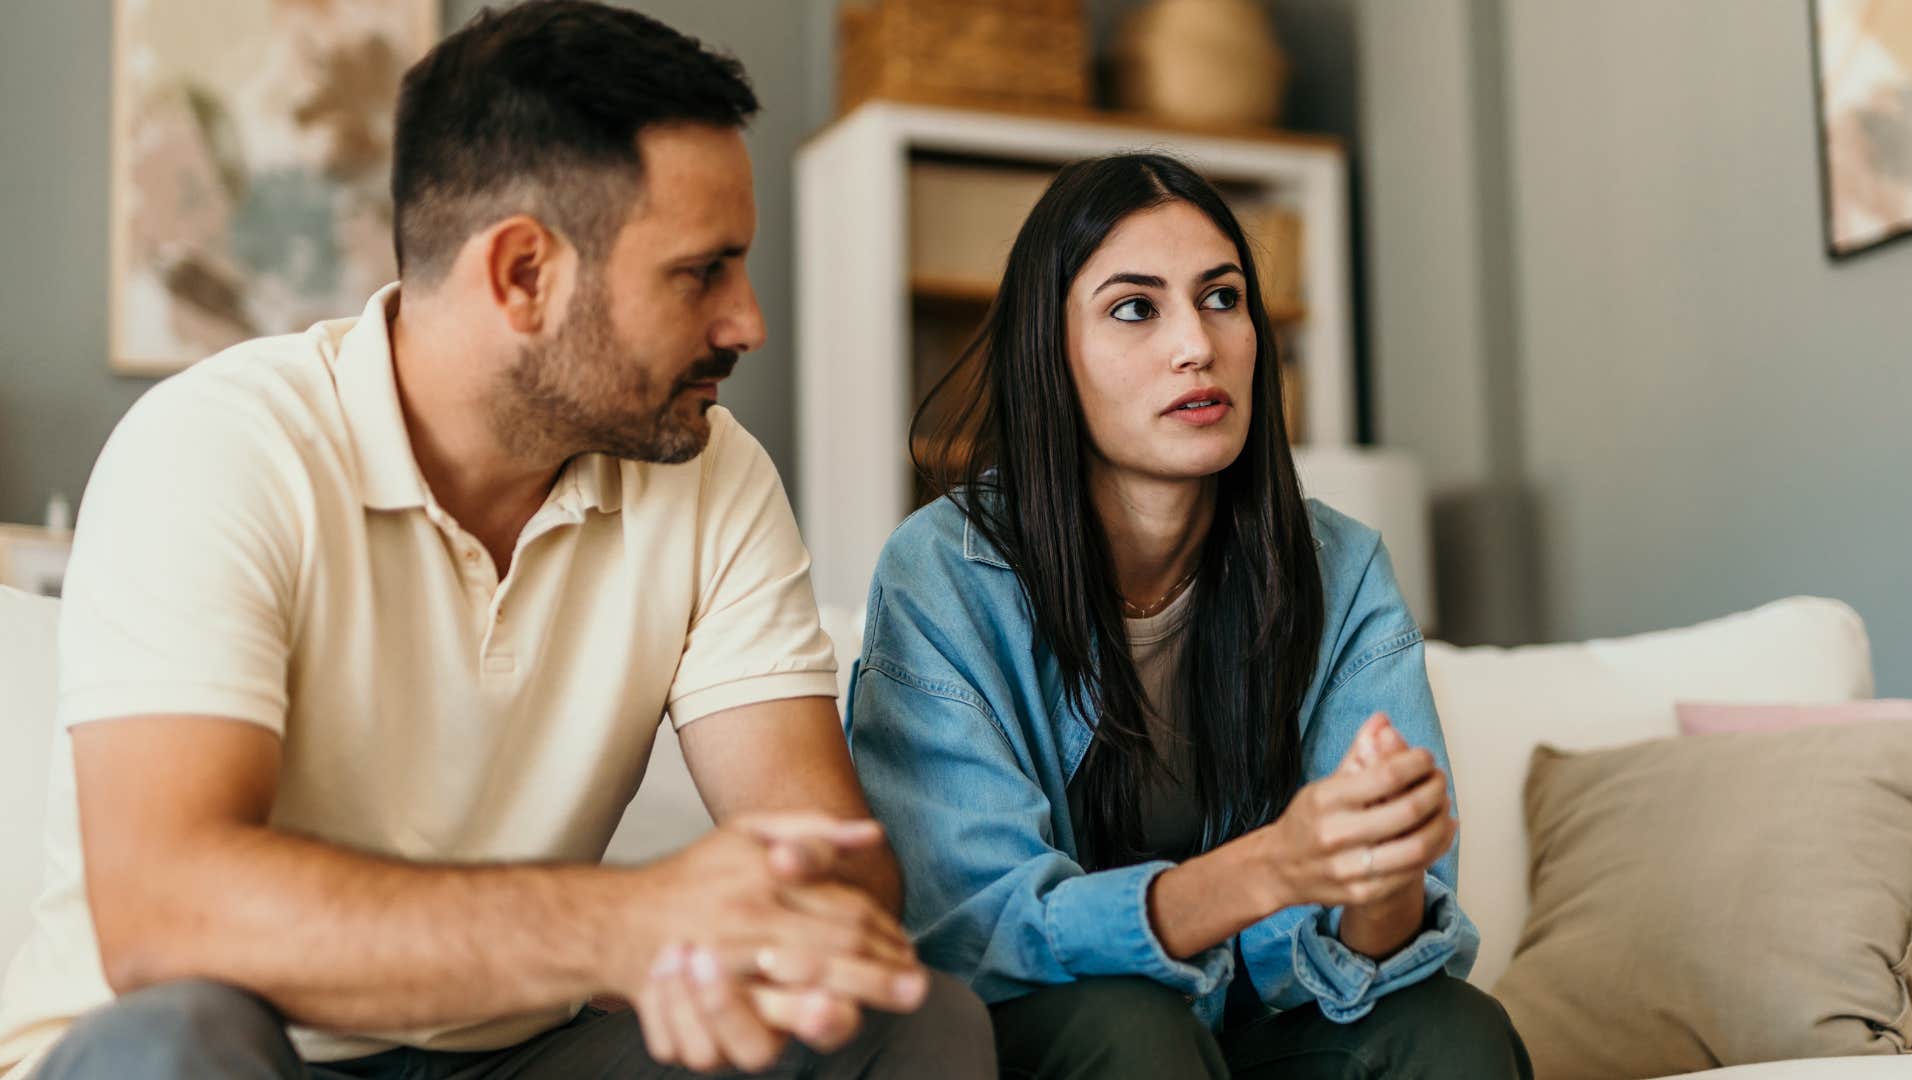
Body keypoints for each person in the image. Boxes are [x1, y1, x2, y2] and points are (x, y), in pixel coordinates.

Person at [0, 3, 993, 1077]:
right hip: (243, 1047)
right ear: (524, 274)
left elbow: (833, 879)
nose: (747, 320)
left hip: (518, 1059)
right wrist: (616, 924)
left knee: (908, 1019)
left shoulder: (709, 472)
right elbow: (167, 913)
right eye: (702, 271)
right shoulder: (218, 447)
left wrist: (748, 933)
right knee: (179, 1043)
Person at [843, 153, 1532, 1079]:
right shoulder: (941, 573)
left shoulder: (1341, 567)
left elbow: (1382, 958)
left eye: (1222, 297)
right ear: (1051, 353)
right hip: (1044, 1035)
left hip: (1253, 1026)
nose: (1197, 345)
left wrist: (1382, 867)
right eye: (1136, 308)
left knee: (1453, 1030)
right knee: (1132, 1030)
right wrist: (1270, 870)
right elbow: (973, 928)